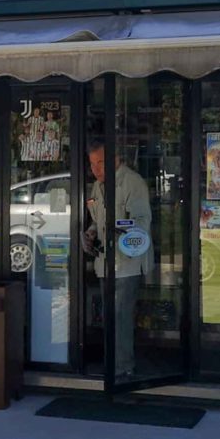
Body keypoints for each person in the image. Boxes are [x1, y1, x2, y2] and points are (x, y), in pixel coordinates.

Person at [81, 142, 152, 379]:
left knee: (120, 316)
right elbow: (96, 219)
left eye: (101, 163)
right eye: (92, 164)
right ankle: (114, 363)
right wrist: (91, 232)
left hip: (127, 261)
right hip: (105, 261)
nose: (96, 169)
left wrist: (119, 231)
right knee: (110, 315)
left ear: (116, 158)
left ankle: (122, 367)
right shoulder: (97, 186)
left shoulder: (132, 182)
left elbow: (142, 221)